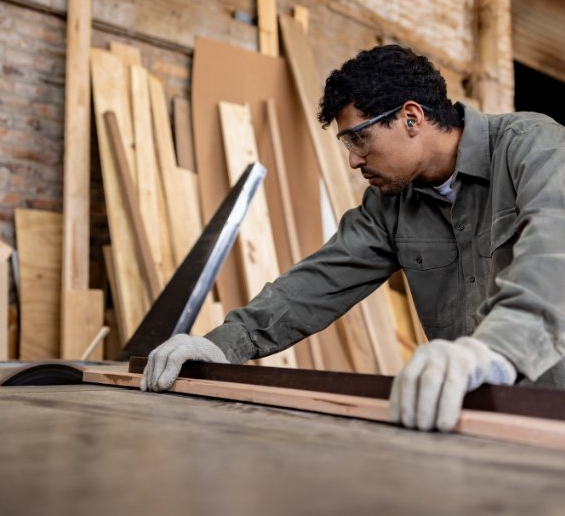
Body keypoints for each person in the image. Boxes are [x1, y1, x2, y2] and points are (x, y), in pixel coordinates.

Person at [140, 44, 565, 432]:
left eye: (360, 138)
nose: (353, 160)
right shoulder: (389, 205)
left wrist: (492, 350)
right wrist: (221, 346)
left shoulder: (534, 149)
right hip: (477, 420)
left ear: (411, 118)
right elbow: (320, 280)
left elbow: (553, 258)